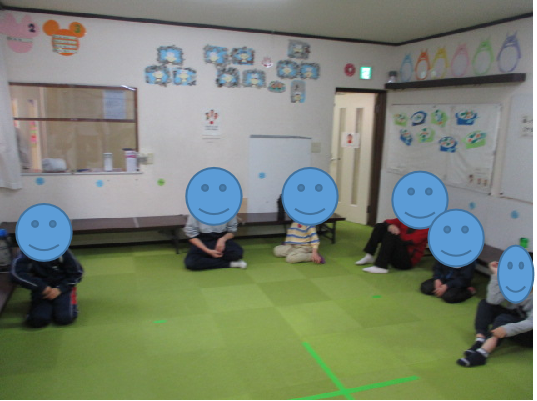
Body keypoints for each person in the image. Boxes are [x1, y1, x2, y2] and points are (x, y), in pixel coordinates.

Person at [457, 261, 533, 368]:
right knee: (485, 304)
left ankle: (483, 353)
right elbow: (492, 300)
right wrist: (496, 275)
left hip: (530, 334)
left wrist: (506, 329)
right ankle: (480, 340)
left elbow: (531, 323)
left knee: (504, 319)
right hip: (517, 318)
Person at [11, 250, 83, 328]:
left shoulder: (62, 251)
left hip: (62, 287)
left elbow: (77, 273)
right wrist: (41, 287)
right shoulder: (27, 251)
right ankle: (40, 310)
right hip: (41, 289)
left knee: (65, 318)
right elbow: (16, 274)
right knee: (38, 320)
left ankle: (68, 300)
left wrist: (60, 289)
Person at [356, 218, 428, 274]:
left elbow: (411, 241)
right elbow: (388, 221)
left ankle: (381, 266)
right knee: (380, 226)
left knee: (391, 234)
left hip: (406, 261)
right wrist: (390, 226)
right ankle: (369, 256)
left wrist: (395, 232)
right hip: (395, 255)